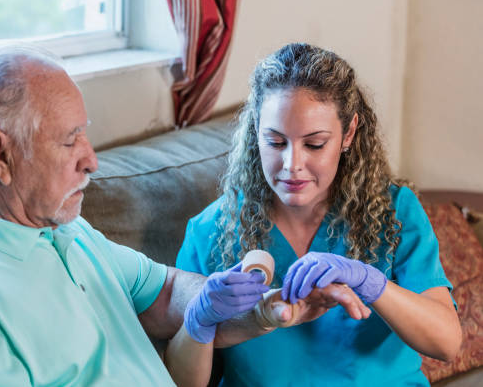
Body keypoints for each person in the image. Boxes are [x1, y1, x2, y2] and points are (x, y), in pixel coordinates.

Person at [0, 42, 366, 387]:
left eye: (86, 135)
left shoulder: (57, 228)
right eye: (70, 141)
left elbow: (168, 294)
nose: (92, 160)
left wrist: (263, 308)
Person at [176, 42, 462, 386]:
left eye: (314, 144)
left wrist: (370, 282)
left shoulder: (395, 212)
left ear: (349, 133)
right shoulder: (210, 231)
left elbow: (446, 343)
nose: (292, 165)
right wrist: (199, 321)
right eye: (276, 142)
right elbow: (180, 380)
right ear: (256, 128)